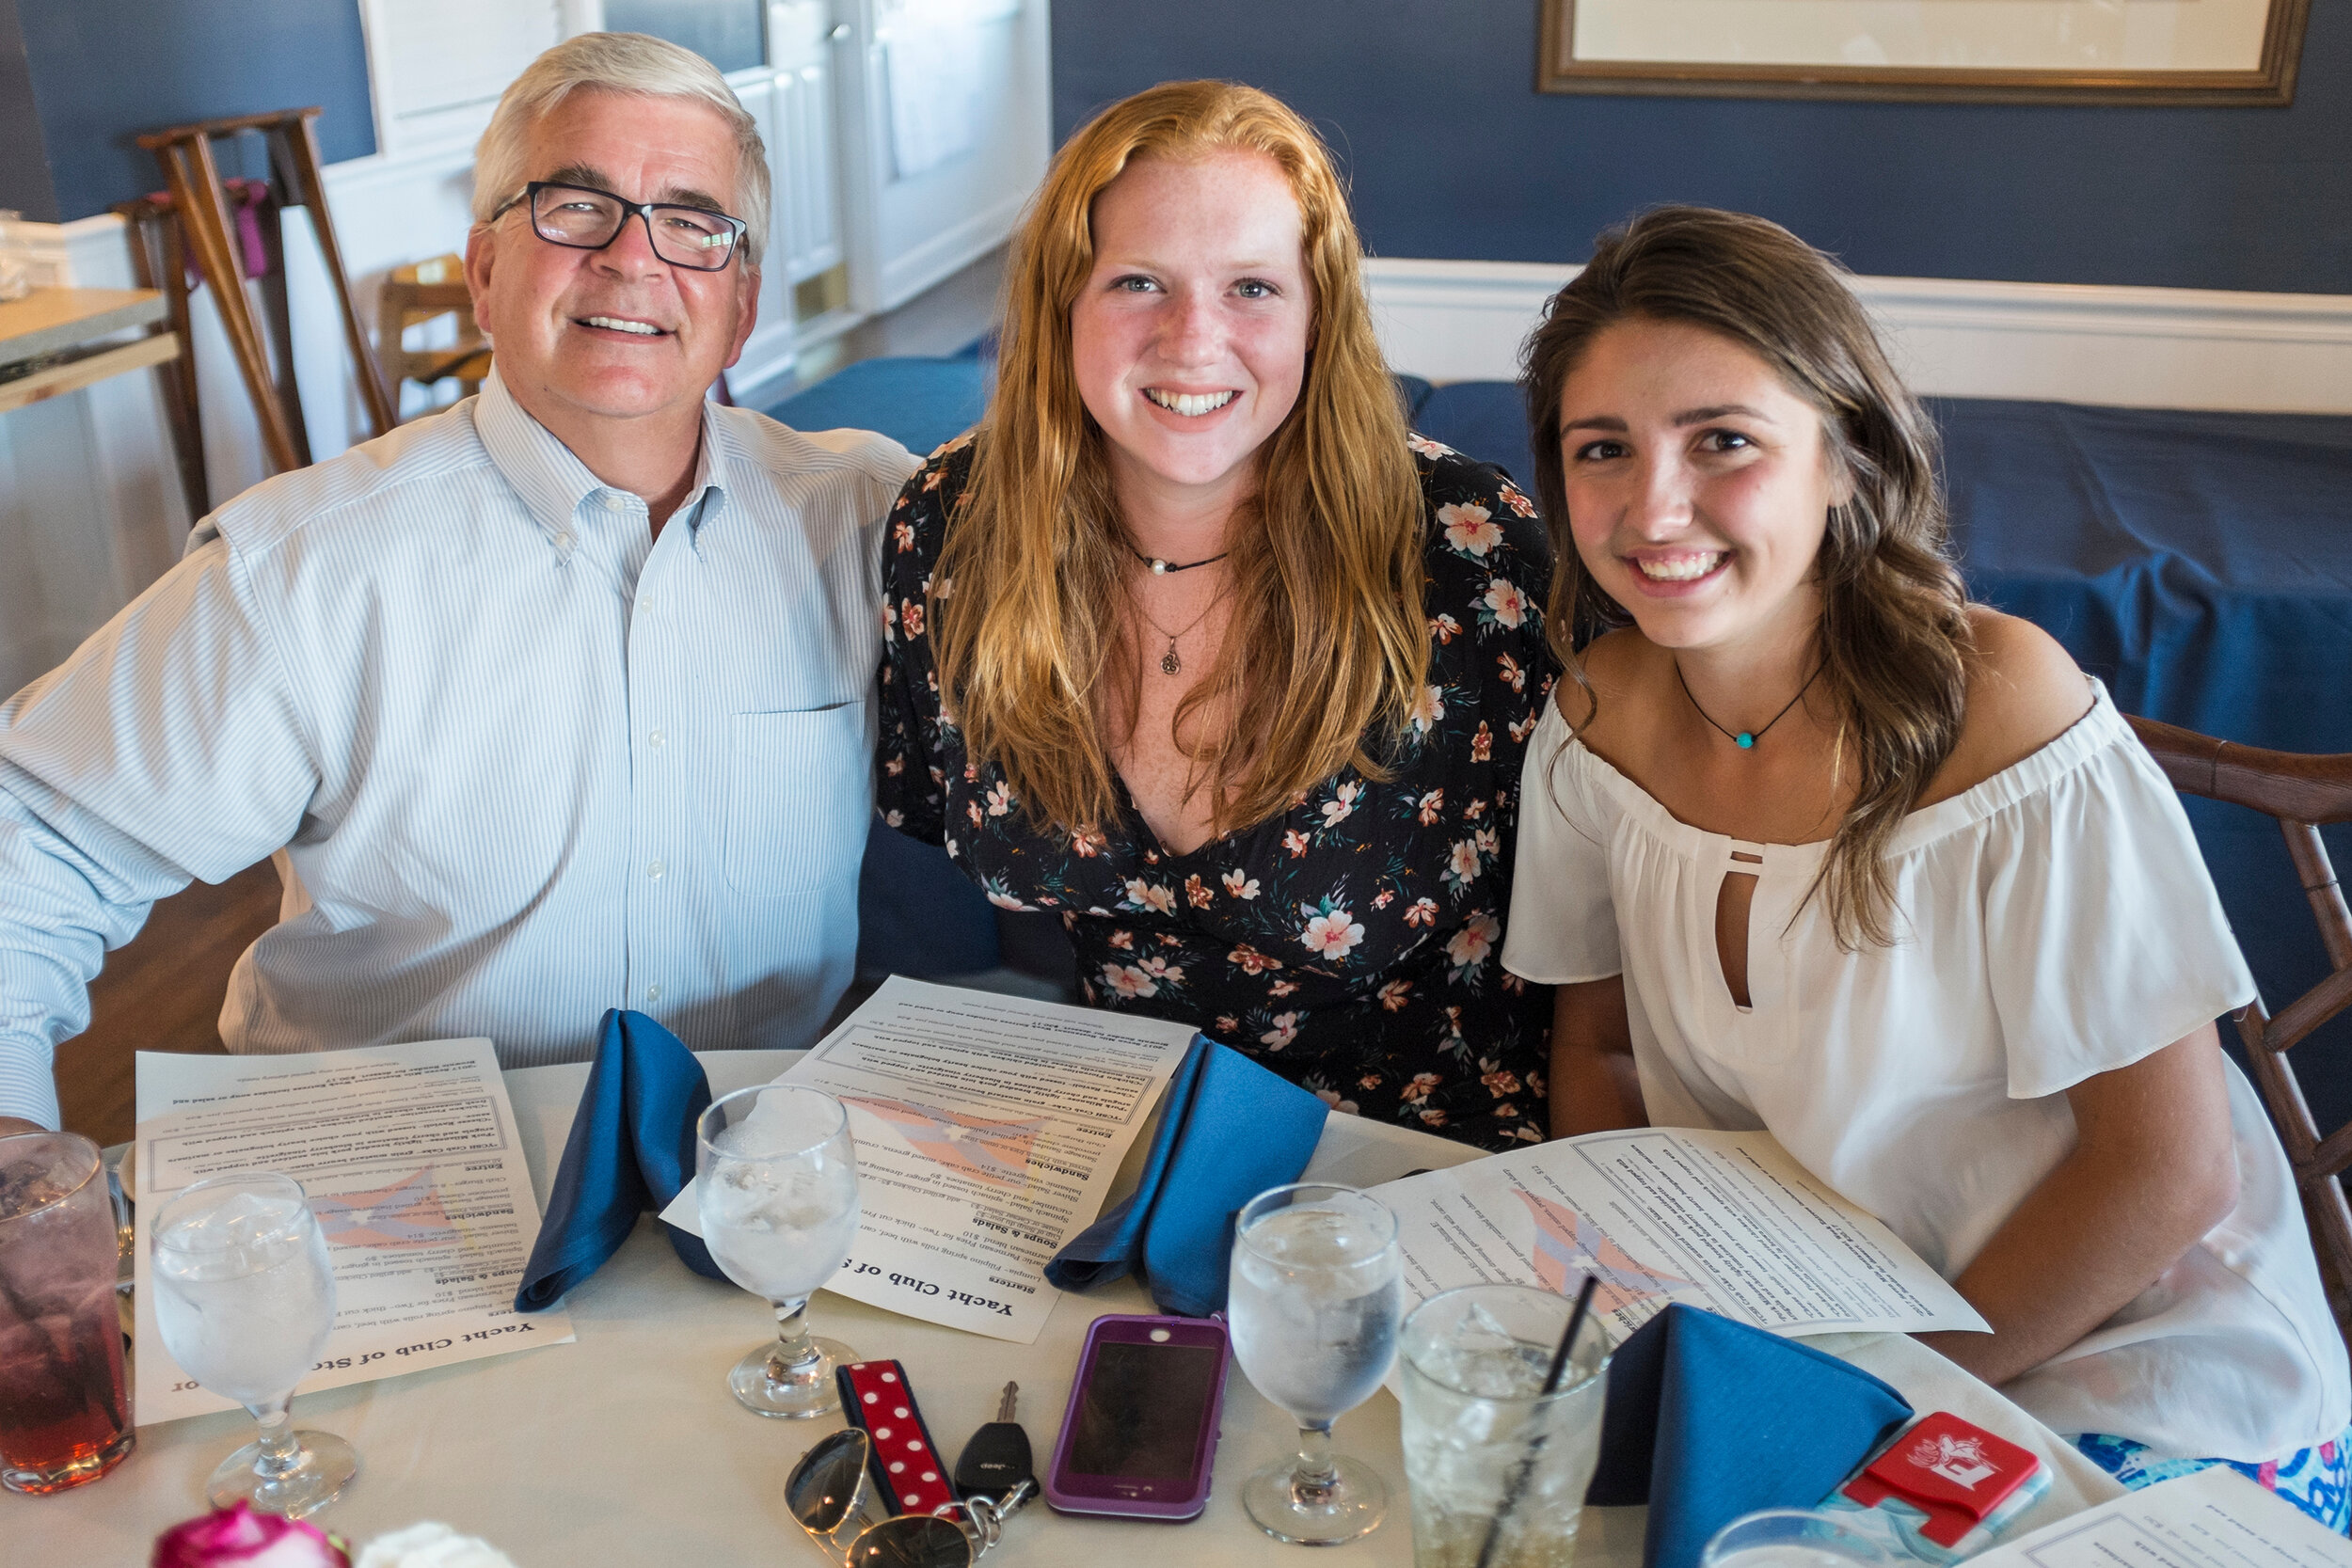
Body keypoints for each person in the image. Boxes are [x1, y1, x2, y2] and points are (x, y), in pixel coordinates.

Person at [1504, 205, 2350, 1519]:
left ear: (1844, 460)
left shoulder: (2002, 703)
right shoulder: (1594, 723)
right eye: (1601, 448)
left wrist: (1888, 1394)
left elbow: (2170, 1171)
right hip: (1819, 1310)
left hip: (2119, 1343)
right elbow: (1600, 1054)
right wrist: (1635, 1298)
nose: (1653, 504)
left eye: (1722, 440)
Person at [0, 33, 914, 1135]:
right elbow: (30, 852)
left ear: (741, 303)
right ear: (485, 270)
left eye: (690, 221)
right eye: (576, 206)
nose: (634, 258)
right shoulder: (306, 570)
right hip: (390, 1198)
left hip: (750, 1168)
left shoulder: (868, 518)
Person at [877, 81, 1556, 1150]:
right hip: (1118, 1152)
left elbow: (1608, 919)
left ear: (1316, 314)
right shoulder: (954, 528)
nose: (1193, 340)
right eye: (1138, 281)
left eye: (1250, 287)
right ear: (1064, 303)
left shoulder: (1465, 551)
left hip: (1426, 1167)